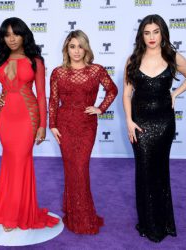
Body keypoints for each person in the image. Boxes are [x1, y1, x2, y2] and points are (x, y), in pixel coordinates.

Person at [123, 14, 186, 242]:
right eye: (147, 32)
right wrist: (128, 121)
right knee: (143, 171)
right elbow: (127, 94)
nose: (152, 37)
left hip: (164, 122)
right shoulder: (133, 59)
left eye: (156, 32)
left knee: (160, 170)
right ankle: (147, 222)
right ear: (141, 35)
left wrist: (175, 93)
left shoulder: (173, 56)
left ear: (162, 33)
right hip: (140, 123)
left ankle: (163, 222)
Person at [0, 17, 59, 232]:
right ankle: (10, 209)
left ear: (24, 35)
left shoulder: (35, 60)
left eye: (15, 34)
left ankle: (17, 214)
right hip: (5, 117)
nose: (12, 39)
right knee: (9, 161)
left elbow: (42, 96)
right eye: (7, 35)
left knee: (20, 161)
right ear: (2, 38)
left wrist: (42, 125)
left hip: (28, 116)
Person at [49, 30, 118, 234]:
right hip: (64, 124)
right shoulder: (58, 72)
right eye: (72, 46)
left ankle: (84, 215)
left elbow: (112, 90)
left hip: (87, 124)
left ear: (86, 47)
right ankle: (73, 210)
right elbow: (53, 100)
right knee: (70, 168)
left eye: (80, 46)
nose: (77, 51)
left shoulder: (96, 70)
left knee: (80, 167)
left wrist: (100, 108)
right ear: (66, 49)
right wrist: (52, 124)